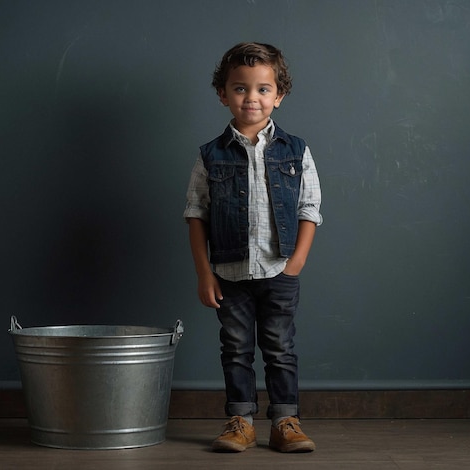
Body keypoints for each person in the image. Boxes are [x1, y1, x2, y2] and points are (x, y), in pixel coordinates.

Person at [183, 42, 322, 453]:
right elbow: (196, 213)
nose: (252, 98)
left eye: (263, 89)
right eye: (240, 89)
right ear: (223, 94)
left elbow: (309, 207)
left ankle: (285, 421)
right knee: (236, 348)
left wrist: (295, 263)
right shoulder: (210, 155)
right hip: (229, 273)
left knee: (280, 347)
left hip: (280, 272)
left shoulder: (295, 151)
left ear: (278, 96)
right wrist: (203, 271)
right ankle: (240, 421)